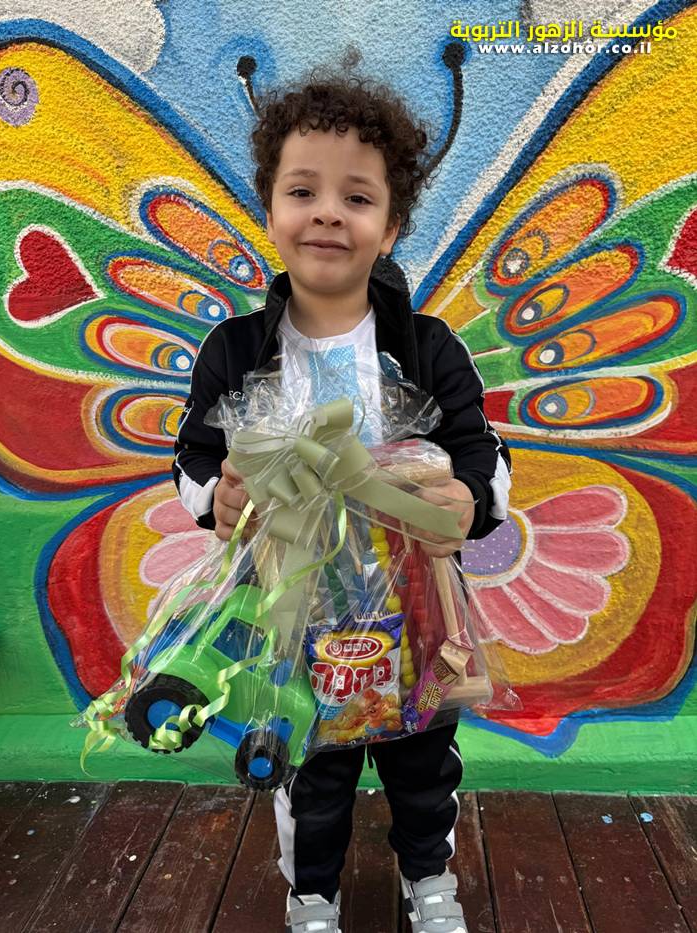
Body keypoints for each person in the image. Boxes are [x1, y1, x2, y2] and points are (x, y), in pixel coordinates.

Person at [173, 71, 511, 933]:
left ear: (389, 226)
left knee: (423, 761)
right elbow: (193, 459)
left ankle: (429, 881)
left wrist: (470, 497)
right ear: (269, 209)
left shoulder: (425, 349)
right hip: (290, 609)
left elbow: (484, 452)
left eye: (357, 197)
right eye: (303, 191)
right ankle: (312, 895)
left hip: (416, 609)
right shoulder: (236, 353)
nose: (328, 213)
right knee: (311, 766)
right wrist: (216, 497)